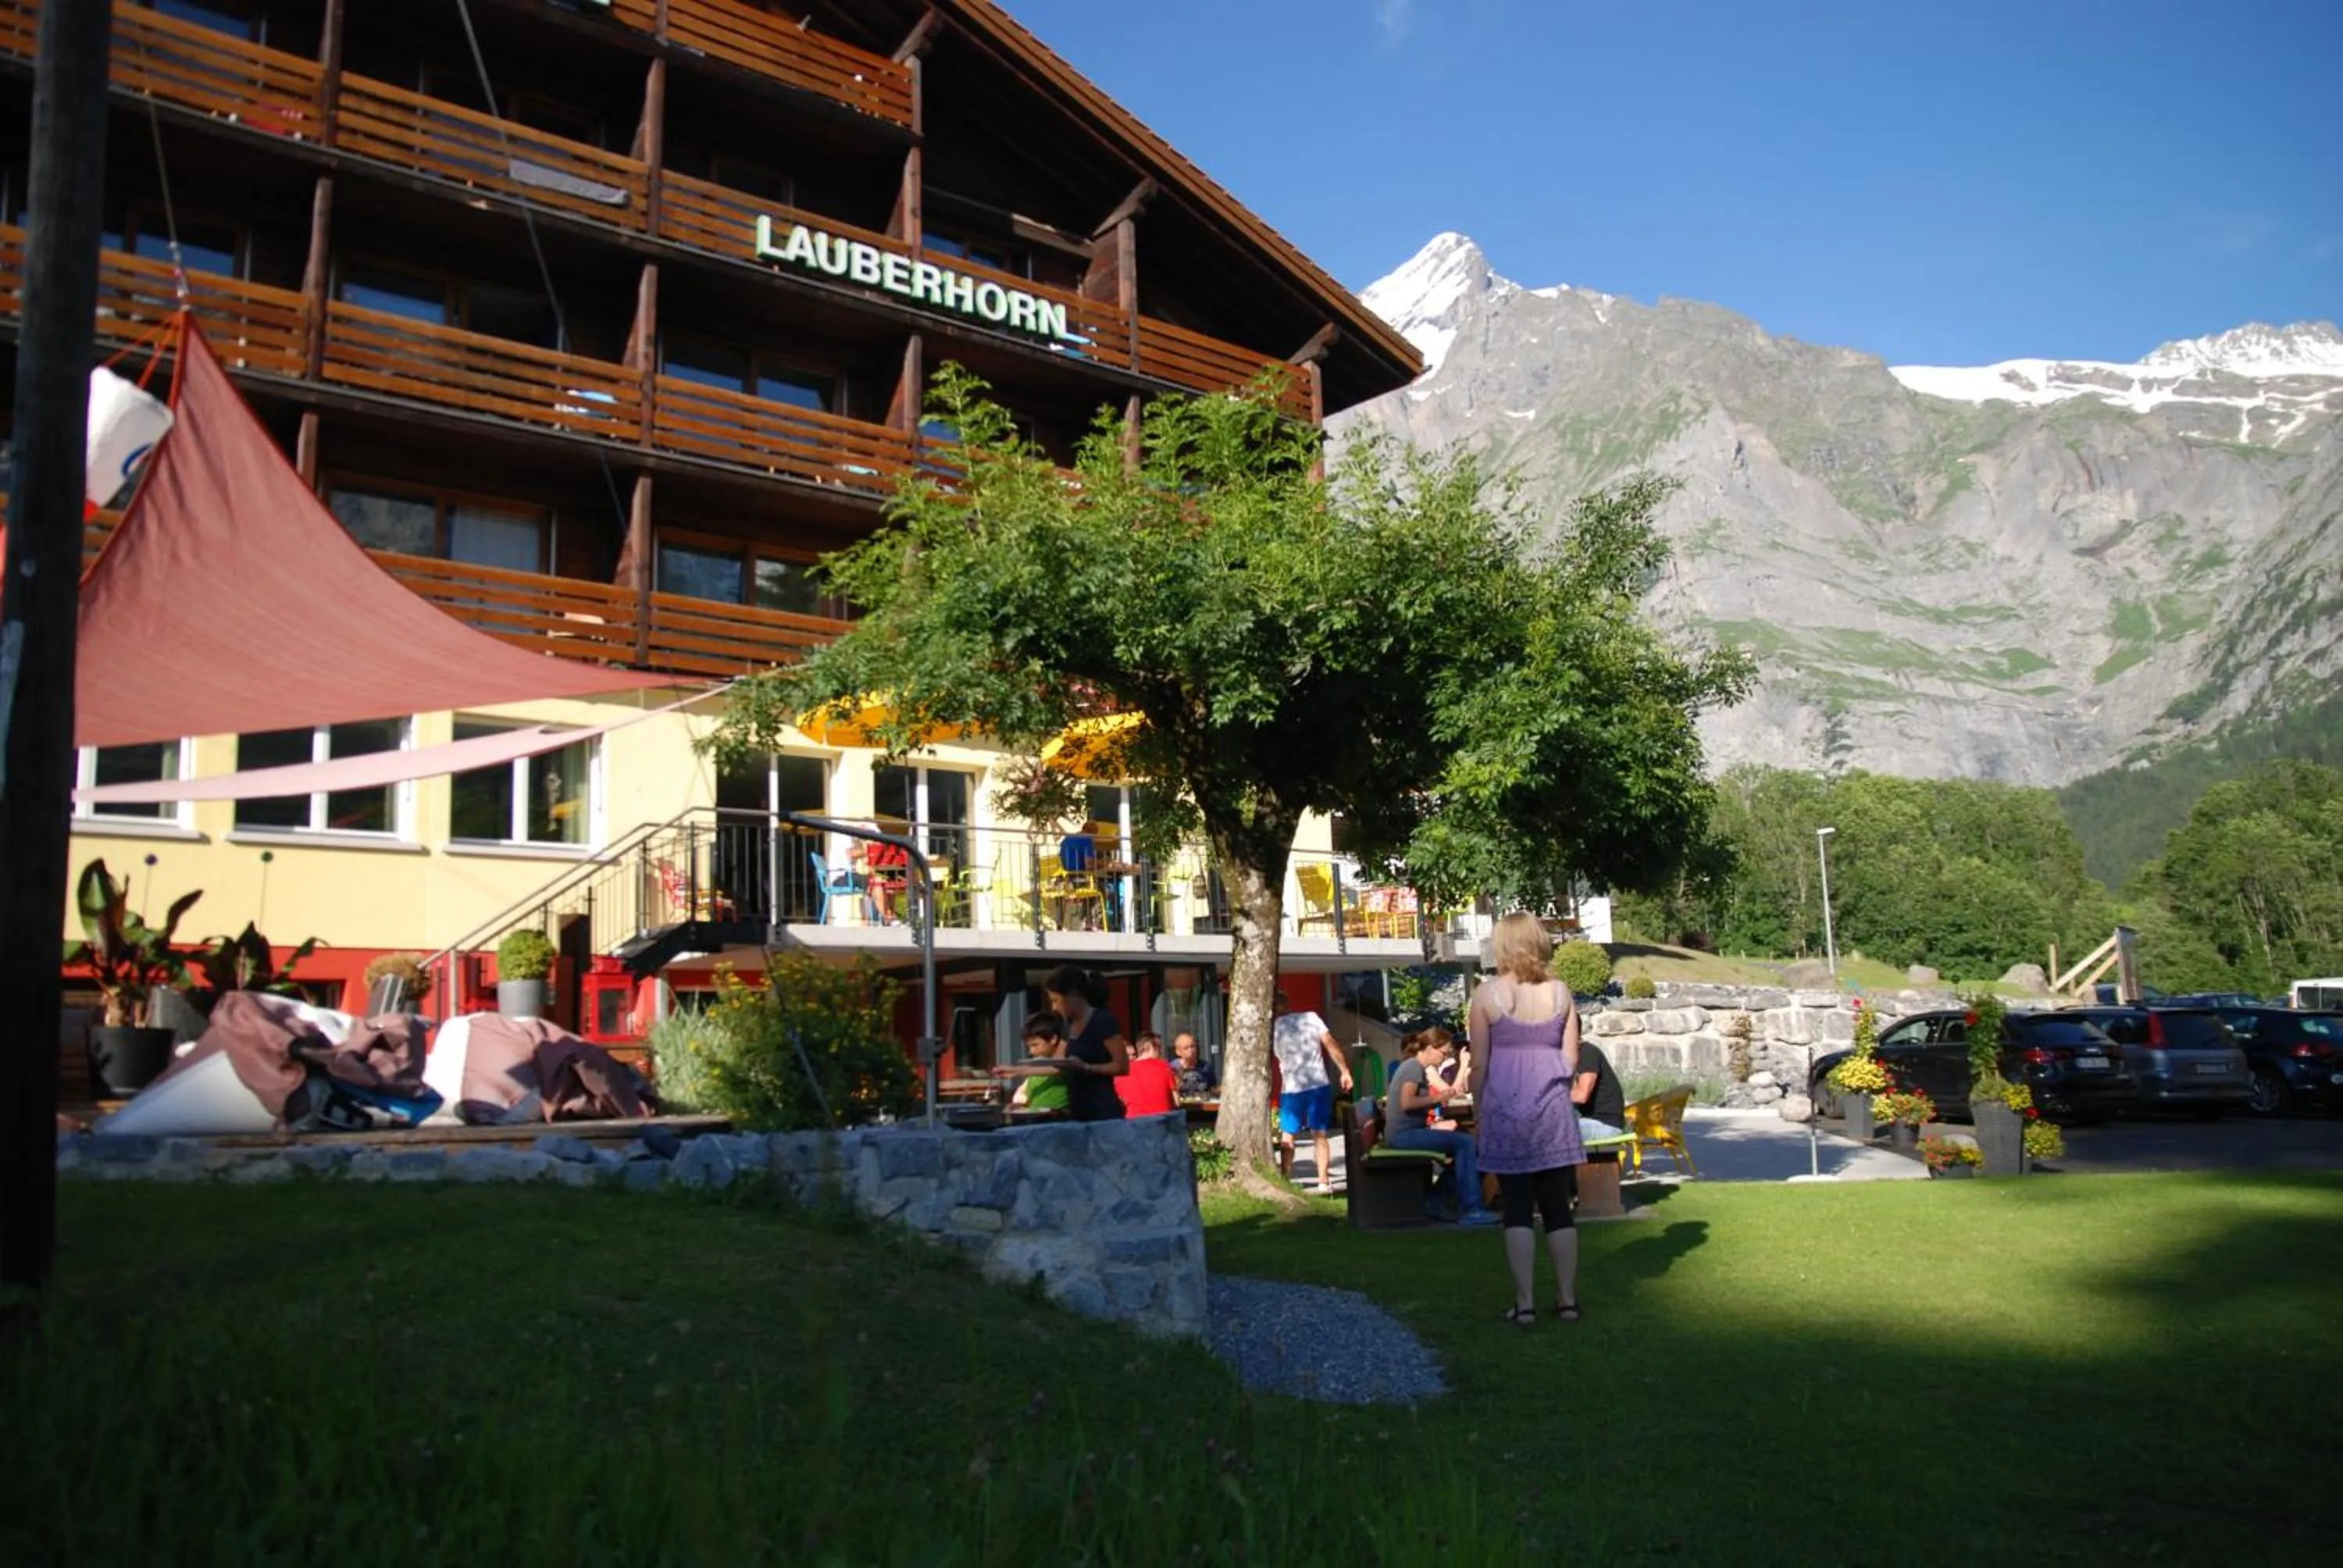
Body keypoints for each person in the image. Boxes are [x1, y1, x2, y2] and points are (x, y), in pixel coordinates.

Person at [1468, 912, 1587, 1324]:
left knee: (1516, 1207)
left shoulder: (1486, 996)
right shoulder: (1561, 993)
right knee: (1558, 1206)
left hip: (1504, 1107)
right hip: (1553, 1109)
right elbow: (1571, 1058)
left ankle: (1525, 1304)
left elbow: (1479, 1064)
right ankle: (1567, 1300)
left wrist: (1479, 1113)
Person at [1383, 1025, 1498, 1225]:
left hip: (1408, 1132)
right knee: (1466, 1144)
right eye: (1443, 1053)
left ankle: (1436, 1201)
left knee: (1467, 1146)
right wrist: (1437, 1099)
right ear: (1429, 1047)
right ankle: (1471, 1209)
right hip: (1403, 1136)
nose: (1444, 1059)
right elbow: (1407, 1103)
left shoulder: (1414, 1067)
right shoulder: (1412, 1067)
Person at [1271, 993, 1353, 1195]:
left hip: (1291, 1088)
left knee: (1288, 1136)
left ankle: (1285, 1177)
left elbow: (1277, 1055)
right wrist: (1345, 1071)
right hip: (1318, 1084)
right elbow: (1330, 1044)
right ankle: (1323, 1181)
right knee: (1320, 1134)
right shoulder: (1312, 1018)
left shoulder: (1275, 1026)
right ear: (1287, 1004)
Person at [1044, 963, 1128, 1121]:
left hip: (1103, 1111)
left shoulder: (1102, 1020)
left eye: (1056, 1000)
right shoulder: (1068, 1026)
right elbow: (1057, 1064)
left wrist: (1086, 1067)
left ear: (1073, 996)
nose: (1054, 1007)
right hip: (1077, 1109)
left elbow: (1122, 1066)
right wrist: (1019, 1069)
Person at [1010, 1010, 1071, 1114]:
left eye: (1035, 1045)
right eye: (1029, 1047)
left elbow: (1057, 1069)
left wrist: (1019, 1070)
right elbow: (1025, 1090)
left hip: (1058, 1118)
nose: (1031, 1051)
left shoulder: (1066, 1059)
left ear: (1053, 1039)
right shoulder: (1036, 1064)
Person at [1572, 1037, 1627, 1139]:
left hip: (1605, 1125)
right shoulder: (1571, 1059)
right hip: (1587, 1121)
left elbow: (1581, 1095)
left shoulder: (1587, 1052)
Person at [1116, 1032, 1180, 1117]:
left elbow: (1119, 1101)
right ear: (1147, 1047)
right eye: (1159, 1047)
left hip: (1134, 1125)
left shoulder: (1121, 1072)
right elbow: (1177, 1102)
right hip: (1160, 1124)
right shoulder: (1164, 1066)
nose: (1161, 1051)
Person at [1170, 1032, 1218, 1097]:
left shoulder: (1206, 1067)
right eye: (1186, 1048)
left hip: (1202, 1104)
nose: (1191, 1050)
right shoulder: (1172, 1068)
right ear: (1178, 1052)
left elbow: (1213, 1088)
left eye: (1193, 1046)